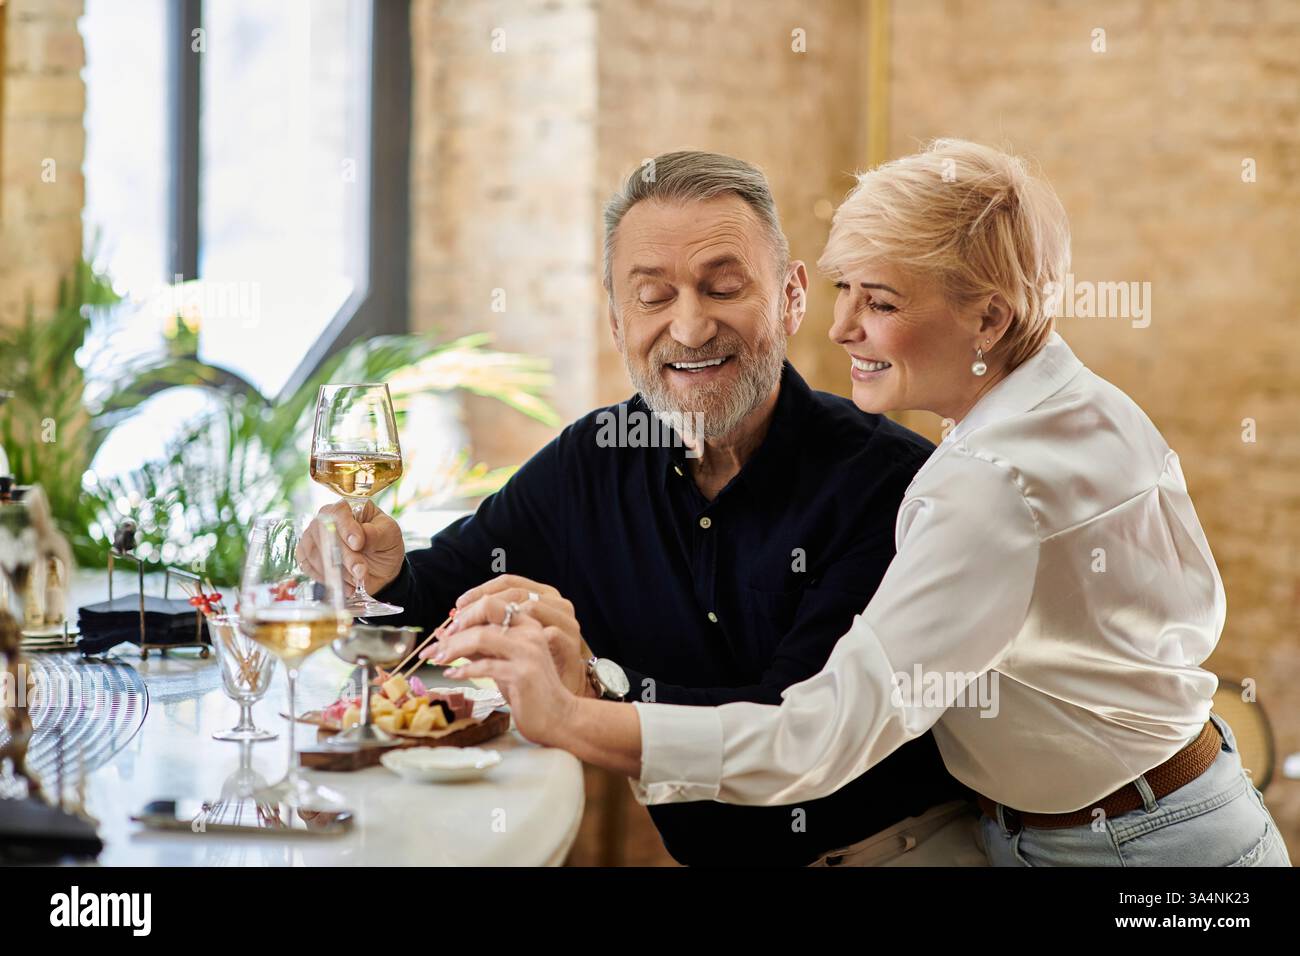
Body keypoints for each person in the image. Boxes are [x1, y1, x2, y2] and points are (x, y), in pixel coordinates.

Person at [434, 139, 1292, 867]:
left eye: (878, 302)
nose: (842, 329)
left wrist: (579, 716)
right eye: (845, 290)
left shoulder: (981, 484)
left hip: (1140, 851)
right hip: (1155, 814)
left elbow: (816, 737)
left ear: (989, 318)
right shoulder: (1077, 399)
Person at [304, 150, 984, 866]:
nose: (689, 328)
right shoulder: (589, 462)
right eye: (653, 297)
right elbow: (429, 605)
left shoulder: (892, 484)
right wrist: (374, 574)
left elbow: (791, 734)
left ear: (790, 296)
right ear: (616, 319)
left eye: (723, 287)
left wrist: (592, 692)